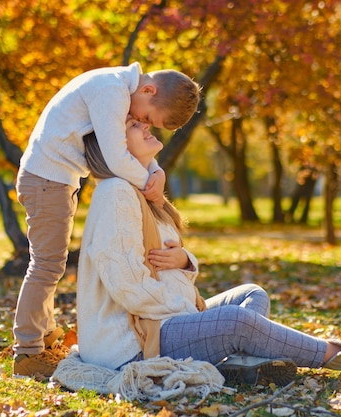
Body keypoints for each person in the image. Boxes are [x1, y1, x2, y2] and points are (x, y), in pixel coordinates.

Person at [75, 121, 341, 386]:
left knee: (250, 294)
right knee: (236, 321)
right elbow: (128, 286)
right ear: (116, 147)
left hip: (161, 319)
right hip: (131, 344)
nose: (147, 124)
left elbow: (166, 262)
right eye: (134, 125)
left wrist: (185, 260)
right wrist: (191, 314)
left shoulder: (142, 193)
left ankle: (237, 361)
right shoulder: (116, 194)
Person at [13, 62, 201, 379]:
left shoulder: (123, 91)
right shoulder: (110, 90)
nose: (142, 123)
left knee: (52, 263)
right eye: (146, 119)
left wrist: (155, 170)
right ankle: (27, 351)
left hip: (58, 179)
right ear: (149, 90)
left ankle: (44, 338)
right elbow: (115, 155)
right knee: (46, 263)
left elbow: (125, 144)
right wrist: (148, 182)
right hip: (45, 178)